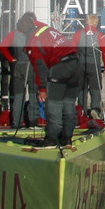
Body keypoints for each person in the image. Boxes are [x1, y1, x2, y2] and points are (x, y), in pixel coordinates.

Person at [27, 12, 82, 147]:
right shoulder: (47, 29)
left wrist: (42, 88)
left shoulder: (33, 40)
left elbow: (40, 67)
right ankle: (67, 138)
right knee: (69, 104)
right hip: (75, 63)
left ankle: (51, 139)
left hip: (60, 67)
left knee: (54, 105)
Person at [0, 14, 37, 128]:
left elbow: (2, 46)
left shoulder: (13, 34)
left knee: (18, 96)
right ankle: (33, 122)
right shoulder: (34, 34)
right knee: (33, 95)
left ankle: (17, 123)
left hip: (18, 65)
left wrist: (11, 59)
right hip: (31, 66)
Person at [74, 16, 105, 122]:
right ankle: (95, 109)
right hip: (94, 65)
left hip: (80, 64)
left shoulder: (78, 34)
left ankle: (82, 110)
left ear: (86, 22)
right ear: (96, 23)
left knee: (81, 89)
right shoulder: (99, 35)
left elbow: (72, 49)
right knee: (95, 88)